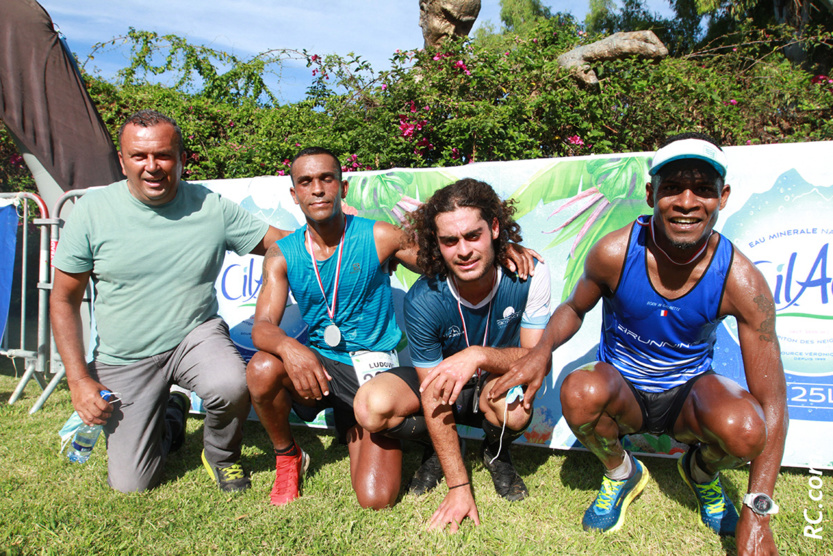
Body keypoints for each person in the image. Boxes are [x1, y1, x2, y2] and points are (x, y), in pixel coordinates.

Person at [491, 133, 787, 554]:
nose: (686, 202)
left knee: (745, 429)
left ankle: (700, 472)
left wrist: (758, 512)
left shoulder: (741, 280)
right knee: (578, 391)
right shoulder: (615, 251)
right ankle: (620, 471)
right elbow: (574, 308)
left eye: (703, 189)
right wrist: (541, 352)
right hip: (624, 388)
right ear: (651, 193)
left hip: (687, 393)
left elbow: (772, 398)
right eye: (672, 188)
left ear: (723, 196)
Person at [247, 148, 537, 509]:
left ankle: (427, 441)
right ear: (294, 194)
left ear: (344, 187)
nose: (318, 190)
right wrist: (291, 348)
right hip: (321, 368)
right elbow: (262, 327)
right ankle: (287, 456)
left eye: (327, 179)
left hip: (372, 371)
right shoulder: (282, 253)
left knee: (376, 499)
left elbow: (444, 257)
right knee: (262, 366)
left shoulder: (379, 236)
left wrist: (501, 246)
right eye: (306, 182)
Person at [51, 109, 287, 493]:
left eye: (163, 155)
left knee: (230, 383)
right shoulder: (92, 211)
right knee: (132, 485)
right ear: (123, 160)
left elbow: (281, 242)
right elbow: (63, 299)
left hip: (195, 337)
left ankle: (221, 455)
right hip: (125, 357)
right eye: (139, 156)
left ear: (181, 158)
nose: (152, 166)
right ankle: (173, 419)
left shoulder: (210, 206)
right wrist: (79, 380)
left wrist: (340, 228)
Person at [353, 178, 551, 532]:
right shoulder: (423, 299)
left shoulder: (530, 274)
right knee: (370, 406)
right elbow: (433, 395)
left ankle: (496, 453)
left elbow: (537, 358)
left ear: (493, 228)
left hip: (492, 382)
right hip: (443, 387)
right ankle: (440, 448)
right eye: (449, 241)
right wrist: (459, 487)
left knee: (518, 412)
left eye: (473, 235)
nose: (463, 250)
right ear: (437, 244)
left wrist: (477, 355)